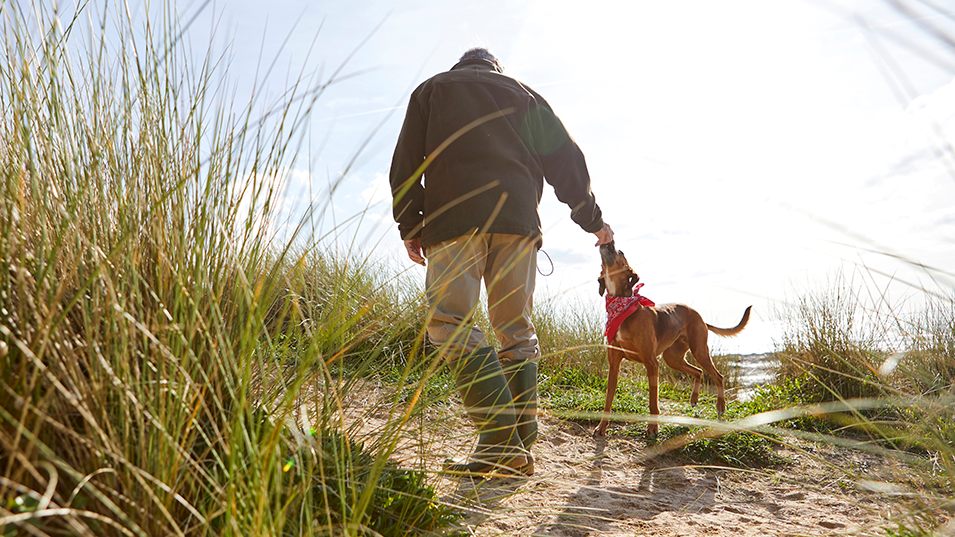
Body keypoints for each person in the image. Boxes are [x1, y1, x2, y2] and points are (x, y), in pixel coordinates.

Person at [389, 47, 613, 476]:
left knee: (449, 322)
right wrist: (593, 220)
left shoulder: (433, 89)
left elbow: (404, 165)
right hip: (518, 223)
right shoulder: (525, 94)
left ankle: (499, 443)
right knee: (516, 330)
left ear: (461, 66)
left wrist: (410, 224)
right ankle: (519, 449)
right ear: (497, 68)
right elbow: (566, 160)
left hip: (454, 219)